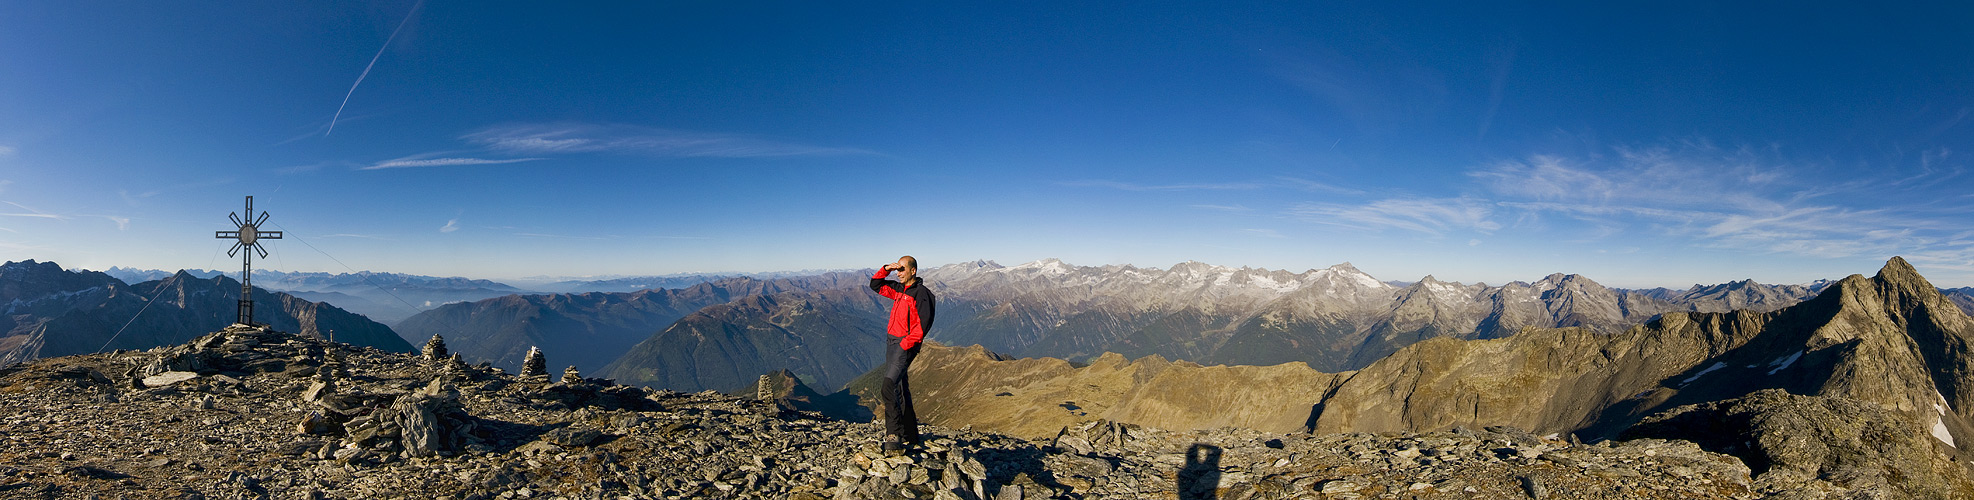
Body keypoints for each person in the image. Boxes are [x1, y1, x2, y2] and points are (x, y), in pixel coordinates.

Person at [869, 255, 935, 452]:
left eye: (902, 269)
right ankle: (911, 434)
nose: (898, 274)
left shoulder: (921, 293)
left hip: (904, 345)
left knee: (888, 386)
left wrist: (905, 344)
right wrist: (886, 268)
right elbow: (875, 285)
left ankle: (894, 433)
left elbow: (923, 324)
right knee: (899, 388)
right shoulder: (899, 289)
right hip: (892, 342)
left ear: (913, 271)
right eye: (897, 270)